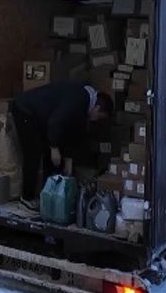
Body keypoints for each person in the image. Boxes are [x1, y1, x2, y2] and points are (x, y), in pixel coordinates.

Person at [10, 81, 113, 210]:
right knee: (33, 152)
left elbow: (67, 131)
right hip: (25, 110)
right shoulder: (80, 100)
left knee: (50, 155)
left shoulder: (84, 100)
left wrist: (67, 159)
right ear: (97, 108)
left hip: (41, 116)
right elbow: (55, 122)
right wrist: (54, 148)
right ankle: (27, 198)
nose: (97, 120)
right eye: (100, 117)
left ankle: (48, 195)